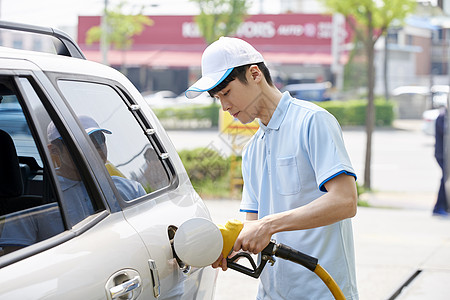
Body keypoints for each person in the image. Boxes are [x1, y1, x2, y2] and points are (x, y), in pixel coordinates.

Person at [185, 37, 359, 299]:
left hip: (322, 291)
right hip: (272, 293)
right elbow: (252, 226)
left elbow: (345, 201)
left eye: (227, 93)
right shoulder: (253, 150)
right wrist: (229, 247)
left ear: (254, 74)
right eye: (218, 98)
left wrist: (268, 225)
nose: (225, 106)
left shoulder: (312, 122)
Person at [0, 115, 145, 253]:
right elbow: (15, 263)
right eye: (81, 143)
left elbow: (149, 235)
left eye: (99, 139)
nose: (96, 148)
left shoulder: (132, 190)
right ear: (54, 150)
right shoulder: (35, 205)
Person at [433, 107, 448, 216]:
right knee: (445, 179)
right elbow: (446, 132)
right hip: (443, 155)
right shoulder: (443, 116)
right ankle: (439, 207)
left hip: (445, 154)